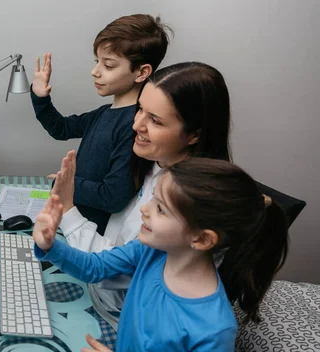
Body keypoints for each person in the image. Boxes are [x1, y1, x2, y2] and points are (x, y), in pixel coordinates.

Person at [33, 158, 289, 351]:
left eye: (161, 209)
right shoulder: (151, 251)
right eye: (152, 198)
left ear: (201, 239)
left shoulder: (214, 330)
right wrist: (49, 245)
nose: (144, 209)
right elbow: (95, 267)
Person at [51, 62, 232, 329]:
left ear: (194, 135)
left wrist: (67, 208)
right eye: (139, 110)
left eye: (155, 120)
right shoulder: (152, 163)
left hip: (120, 317)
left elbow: (112, 269)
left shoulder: (187, 205)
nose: (136, 125)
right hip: (100, 289)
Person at [31, 14, 171, 233]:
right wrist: (40, 96)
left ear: (141, 72)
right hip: (73, 222)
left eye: (108, 65)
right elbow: (61, 129)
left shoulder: (135, 127)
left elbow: (113, 196)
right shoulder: (105, 113)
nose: (95, 71)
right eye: (97, 62)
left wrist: (68, 186)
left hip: (93, 236)